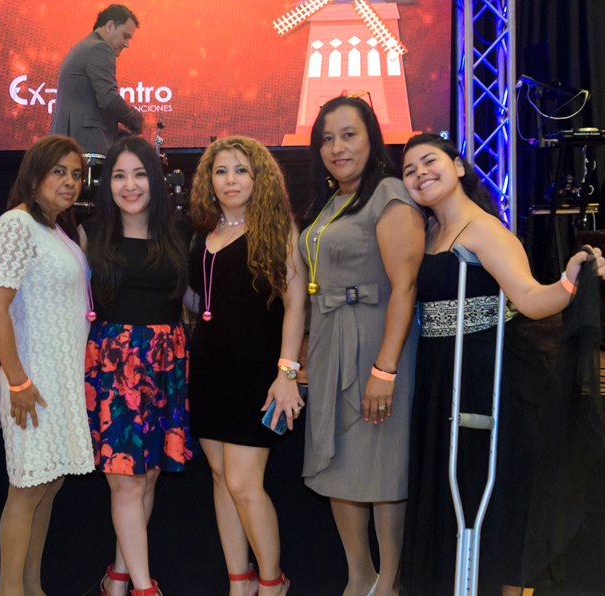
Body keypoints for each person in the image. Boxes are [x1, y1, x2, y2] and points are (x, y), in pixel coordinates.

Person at [398, 133, 605, 596]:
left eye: (429, 161)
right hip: (438, 375)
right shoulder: (429, 232)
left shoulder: (485, 229)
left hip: (478, 373)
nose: (419, 174)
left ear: (458, 166)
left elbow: (529, 298)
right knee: (446, 489)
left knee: (483, 488)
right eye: (409, 170)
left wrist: (568, 283)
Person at [299, 96, 424, 596]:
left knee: (382, 464)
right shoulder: (330, 202)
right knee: (339, 463)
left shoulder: (390, 193)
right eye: (327, 139)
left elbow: (406, 285)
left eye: (348, 134)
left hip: (378, 343)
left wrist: (384, 370)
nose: (337, 147)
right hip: (330, 345)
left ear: (371, 137)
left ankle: (389, 583)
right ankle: (361, 578)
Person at [187, 136, 307, 596]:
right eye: (221, 171)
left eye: (241, 170)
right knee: (221, 479)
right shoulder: (205, 232)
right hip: (208, 371)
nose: (230, 180)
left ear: (260, 178)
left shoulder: (278, 230)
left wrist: (287, 373)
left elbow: (295, 306)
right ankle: (240, 582)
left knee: (243, 483)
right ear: (208, 180)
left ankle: (273, 583)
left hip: (257, 374)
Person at [78, 136, 196, 596]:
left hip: (167, 364)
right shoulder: (89, 232)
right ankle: (144, 589)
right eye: (119, 176)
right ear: (106, 183)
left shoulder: (180, 234)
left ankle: (118, 579)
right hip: (114, 366)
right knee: (126, 482)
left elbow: (195, 299)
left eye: (140, 174)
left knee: (146, 479)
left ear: (156, 181)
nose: (130, 186)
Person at [0, 135, 96, 596]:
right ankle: (8, 590)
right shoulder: (17, 224)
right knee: (28, 488)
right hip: (31, 382)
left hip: (60, 381)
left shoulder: (58, 230)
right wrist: (17, 381)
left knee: (50, 485)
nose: (70, 182)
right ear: (34, 177)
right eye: (59, 172)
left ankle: (33, 587)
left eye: (76, 174)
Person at [49, 4, 144, 155]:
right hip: (83, 147)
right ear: (110, 26)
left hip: (68, 144)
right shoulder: (99, 48)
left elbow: (84, 105)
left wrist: (113, 128)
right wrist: (137, 120)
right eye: (125, 36)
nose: (126, 44)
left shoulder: (84, 46)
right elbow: (109, 99)